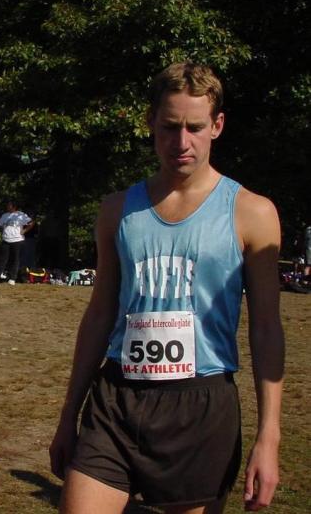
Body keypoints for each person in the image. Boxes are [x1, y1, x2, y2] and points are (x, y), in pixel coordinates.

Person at [49, 62, 284, 513]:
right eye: (169, 126)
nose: (181, 143)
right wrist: (68, 416)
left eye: (195, 127)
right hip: (116, 397)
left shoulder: (251, 212)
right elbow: (100, 314)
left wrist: (268, 437)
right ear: (150, 123)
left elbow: (267, 329)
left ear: (217, 126)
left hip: (199, 406)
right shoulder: (117, 210)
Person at [0, 201, 33, 285]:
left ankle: (12, 278)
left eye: (9, 205)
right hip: (6, 240)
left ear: (14, 206)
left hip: (17, 240)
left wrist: (24, 230)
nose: (7, 206)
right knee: (2, 259)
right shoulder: (4, 215)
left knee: (15, 260)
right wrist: (3, 231)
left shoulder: (21, 215)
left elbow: (31, 223)